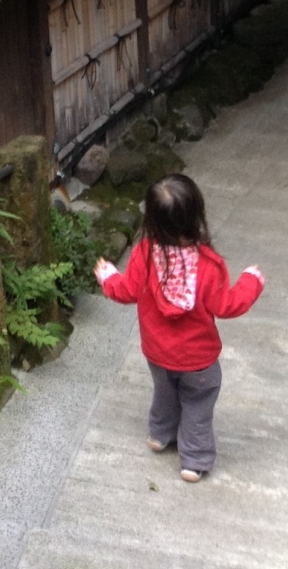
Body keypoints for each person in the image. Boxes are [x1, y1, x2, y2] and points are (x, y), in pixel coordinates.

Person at [93, 173, 264, 482]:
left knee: (165, 393)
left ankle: (160, 435)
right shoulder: (208, 265)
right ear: (196, 216)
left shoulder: (144, 254)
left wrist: (108, 276)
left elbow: (126, 291)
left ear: (151, 220)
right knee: (197, 407)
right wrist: (250, 282)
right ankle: (193, 461)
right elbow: (227, 306)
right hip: (198, 361)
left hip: (157, 353)